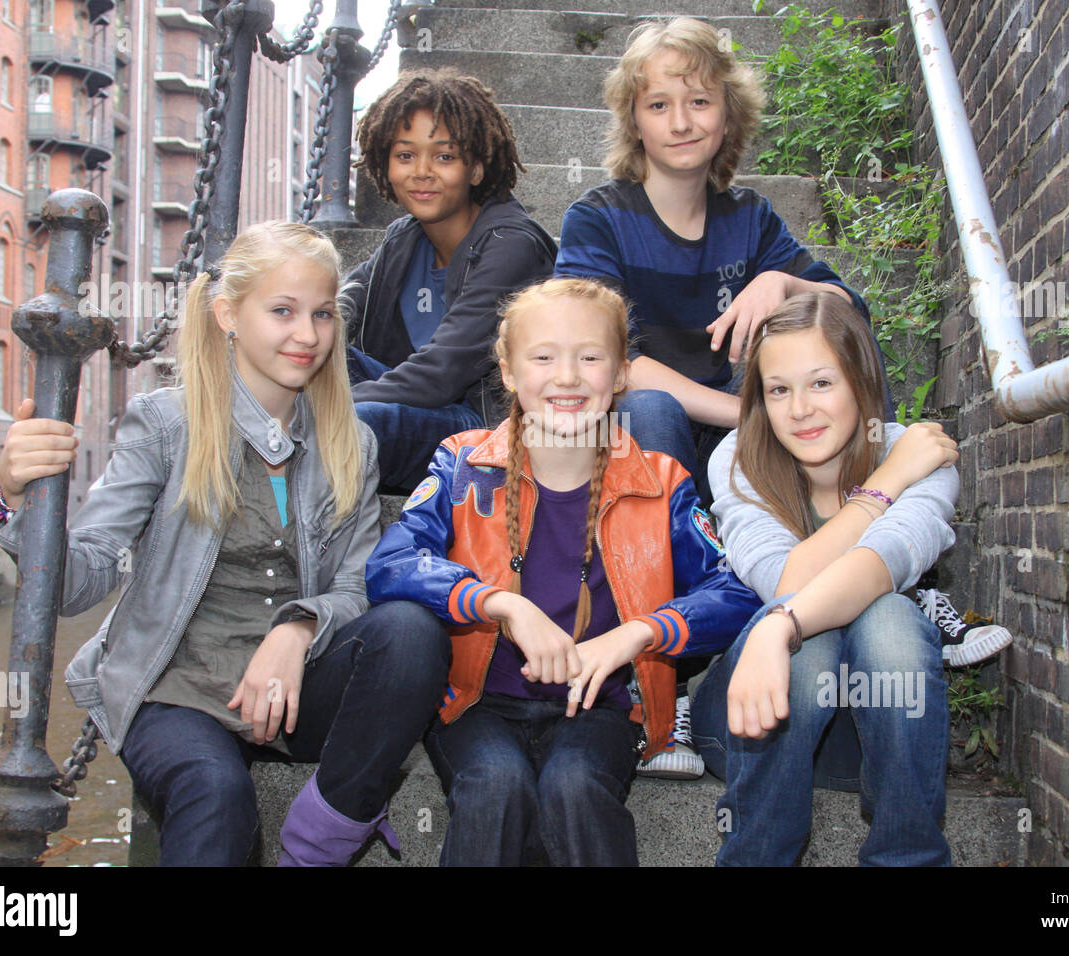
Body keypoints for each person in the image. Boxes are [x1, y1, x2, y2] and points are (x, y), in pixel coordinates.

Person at [0, 222, 450, 867]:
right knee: (215, 795)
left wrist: (296, 630)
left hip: (291, 688)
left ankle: (325, 836)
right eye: (282, 311)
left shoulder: (350, 441)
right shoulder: (166, 423)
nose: (307, 335)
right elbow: (80, 582)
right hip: (178, 688)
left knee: (412, 632)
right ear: (228, 315)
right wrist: (14, 500)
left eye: (322, 314)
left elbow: (356, 586)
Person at [366, 278, 761, 866]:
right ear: (508, 371)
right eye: (544, 356)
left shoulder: (662, 481)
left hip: (599, 706)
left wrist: (641, 633)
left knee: (575, 789)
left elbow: (734, 593)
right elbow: (390, 566)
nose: (568, 376)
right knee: (496, 789)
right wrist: (500, 604)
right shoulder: (461, 464)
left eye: (591, 356)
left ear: (622, 372)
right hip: (478, 705)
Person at [555, 17, 886, 508]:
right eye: (659, 105)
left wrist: (783, 283)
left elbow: (849, 311)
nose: (681, 123)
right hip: (640, 430)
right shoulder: (597, 218)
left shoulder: (749, 217)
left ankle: (860, 527)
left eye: (700, 102)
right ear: (635, 122)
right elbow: (597, 358)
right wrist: (752, 412)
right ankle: (667, 568)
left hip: (734, 430)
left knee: (845, 346)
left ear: (728, 116)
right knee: (652, 408)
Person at [693, 291, 960, 866]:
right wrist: (884, 483)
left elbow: (880, 564)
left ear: (861, 381)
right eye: (778, 389)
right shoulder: (740, 458)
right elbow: (789, 580)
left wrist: (780, 625)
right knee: (806, 644)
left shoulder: (921, 451)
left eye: (821, 383)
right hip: (753, 717)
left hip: (871, 736)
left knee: (887, 612)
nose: (799, 410)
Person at [344, 68, 557, 491]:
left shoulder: (511, 247)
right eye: (405, 156)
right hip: (418, 407)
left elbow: (442, 373)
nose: (422, 171)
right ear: (384, 165)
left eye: (444, 157)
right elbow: (338, 309)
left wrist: (324, 409)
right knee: (303, 347)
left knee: (358, 422)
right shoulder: (401, 239)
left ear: (476, 169)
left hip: (482, 429)